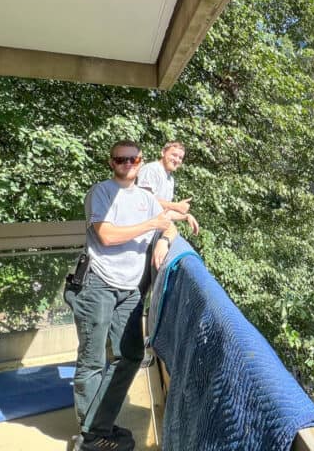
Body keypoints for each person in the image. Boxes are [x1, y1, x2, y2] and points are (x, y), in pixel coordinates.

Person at [66, 140, 180, 451]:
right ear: (111, 162)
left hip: (131, 290)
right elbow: (106, 234)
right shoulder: (100, 192)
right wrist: (151, 225)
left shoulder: (146, 198)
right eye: (120, 159)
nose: (127, 164)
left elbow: (169, 228)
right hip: (97, 285)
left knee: (129, 356)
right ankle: (91, 436)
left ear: (141, 162)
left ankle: (99, 424)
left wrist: (163, 241)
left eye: (133, 159)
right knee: (91, 361)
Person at [137, 141, 200, 235]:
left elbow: (165, 211)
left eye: (180, 158)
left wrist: (186, 216)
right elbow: (145, 200)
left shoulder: (170, 179)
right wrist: (175, 206)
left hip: (157, 229)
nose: (177, 160)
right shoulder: (151, 169)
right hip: (142, 229)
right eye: (174, 155)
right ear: (163, 152)